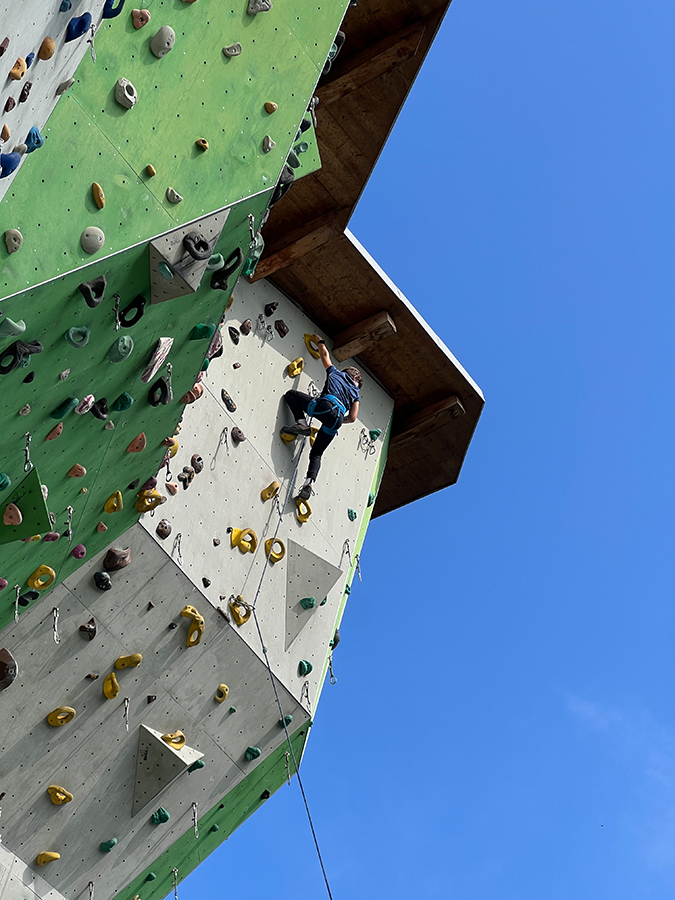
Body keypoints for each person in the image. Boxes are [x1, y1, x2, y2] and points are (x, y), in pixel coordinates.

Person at [282, 334, 362, 500]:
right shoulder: (356, 393)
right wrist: (340, 420)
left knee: (291, 395)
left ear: (350, 375)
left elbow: (324, 354)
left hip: (325, 406)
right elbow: (353, 417)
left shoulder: (335, 373)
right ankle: (309, 483)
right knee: (317, 453)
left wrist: (319, 340)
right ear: (356, 379)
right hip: (336, 421)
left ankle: (302, 424)